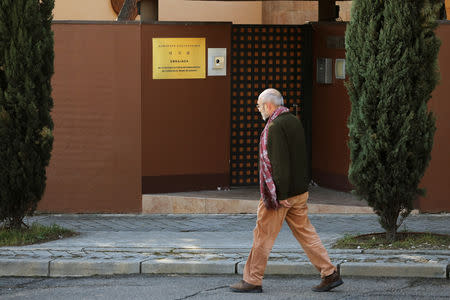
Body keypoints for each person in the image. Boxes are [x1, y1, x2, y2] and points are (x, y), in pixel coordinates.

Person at [230, 88, 343, 293]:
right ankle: (329, 273)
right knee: (307, 234)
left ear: (269, 105)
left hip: (281, 195)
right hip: (299, 192)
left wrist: (279, 196)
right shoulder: (293, 120)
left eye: (259, 105)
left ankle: (252, 280)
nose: (258, 109)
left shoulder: (274, 126)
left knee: (262, 235)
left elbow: (280, 164)